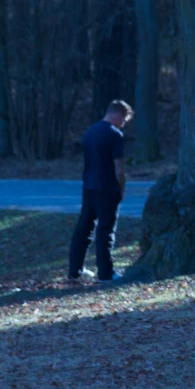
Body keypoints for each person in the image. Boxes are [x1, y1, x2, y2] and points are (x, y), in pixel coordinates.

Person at [68, 99, 134, 282]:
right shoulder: (114, 135)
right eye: (124, 120)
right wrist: (121, 189)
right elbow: (119, 168)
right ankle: (106, 273)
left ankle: (75, 270)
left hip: (89, 186)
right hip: (107, 188)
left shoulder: (90, 132)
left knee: (84, 228)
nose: (123, 124)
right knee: (106, 230)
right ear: (119, 114)